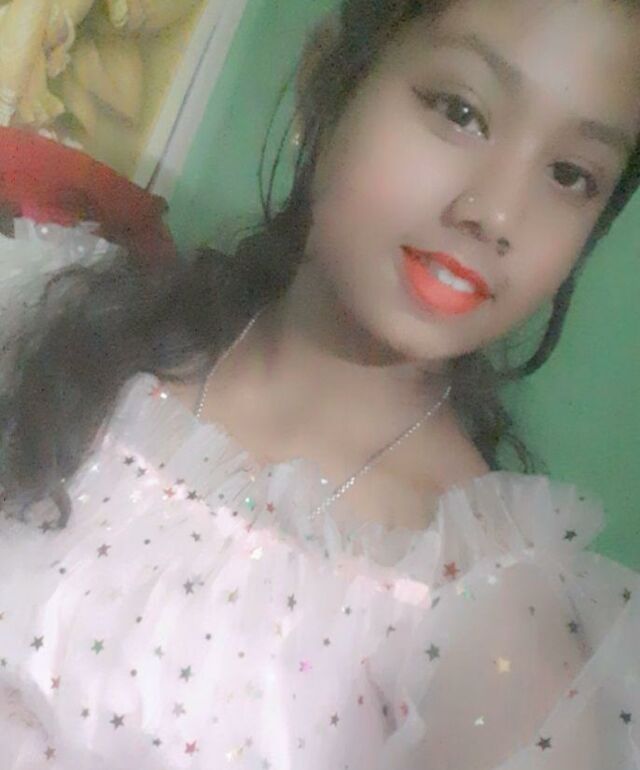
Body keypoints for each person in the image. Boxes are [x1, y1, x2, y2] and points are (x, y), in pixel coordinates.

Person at [0, 0, 639, 767]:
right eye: (460, 111)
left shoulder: (493, 622)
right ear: (326, 85)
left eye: (571, 175)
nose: (497, 212)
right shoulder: (75, 339)